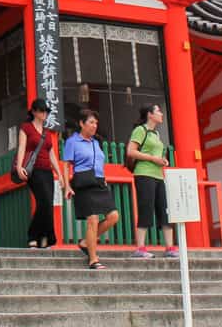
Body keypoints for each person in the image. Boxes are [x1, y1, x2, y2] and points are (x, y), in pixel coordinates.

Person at [62, 109, 119, 270]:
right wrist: (67, 185)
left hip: (99, 182)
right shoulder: (72, 141)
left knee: (113, 216)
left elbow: (100, 162)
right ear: (81, 123)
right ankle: (93, 259)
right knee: (92, 219)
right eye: (91, 122)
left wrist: (105, 179)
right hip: (83, 182)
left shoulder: (96, 142)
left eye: (96, 123)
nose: (94, 126)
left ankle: (87, 242)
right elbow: (66, 165)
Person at [126, 103, 179, 259]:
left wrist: (162, 160)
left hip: (158, 175)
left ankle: (170, 247)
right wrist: (153, 158)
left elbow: (155, 154)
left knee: (164, 209)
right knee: (146, 208)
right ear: (149, 114)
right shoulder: (140, 130)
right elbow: (131, 151)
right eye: (158, 111)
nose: (161, 114)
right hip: (144, 174)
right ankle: (140, 248)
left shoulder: (156, 134)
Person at [16, 98, 68, 249]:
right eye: (41, 110)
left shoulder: (47, 132)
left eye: (46, 111)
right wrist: (19, 167)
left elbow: (52, 155)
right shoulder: (26, 128)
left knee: (47, 205)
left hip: (47, 172)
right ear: (33, 112)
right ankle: (38, 236)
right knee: (44, 201)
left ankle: (42, 239)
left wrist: (59, 174)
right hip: (34, 171)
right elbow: (21, 148)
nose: (44, 113)